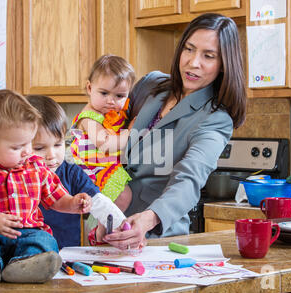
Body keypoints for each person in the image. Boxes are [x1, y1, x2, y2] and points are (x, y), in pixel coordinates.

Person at [94, 13, 246, 250]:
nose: (193, 62)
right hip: (107, 221)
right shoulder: (151, 84)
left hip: (155, 238)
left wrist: (149, 218)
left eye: (208, 56)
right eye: (189, 49)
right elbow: (103, 111)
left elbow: (189, 180)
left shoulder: (216, 119)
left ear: (224, 65)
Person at [0, 89, 91, 285]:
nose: (27, 151)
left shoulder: (36, 166)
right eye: (17, 147)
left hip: (27, 233)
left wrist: (72, 203)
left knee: (45, 241)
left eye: (29, 143)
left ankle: (25, 266)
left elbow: (56, 198)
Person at [27, 94, 100, 248]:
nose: (51, 155)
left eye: (58, 145)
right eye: (39, 148)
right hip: (26, 255)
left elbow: (99, 201)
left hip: (68, 253)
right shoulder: (16, 177)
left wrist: (119, 223)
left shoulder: (72, 173)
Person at [70, 54, 136, 212]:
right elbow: (105, 144)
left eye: (119, 96)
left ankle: (104, 227)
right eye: (104, 93)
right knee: (123, 196)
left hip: (102, 167)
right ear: (89, 88)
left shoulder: (111, 115)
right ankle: (100, 228)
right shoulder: (89, 117)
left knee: (123, 196)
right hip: (89, 172)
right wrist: (130, 132)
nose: (111, 101)